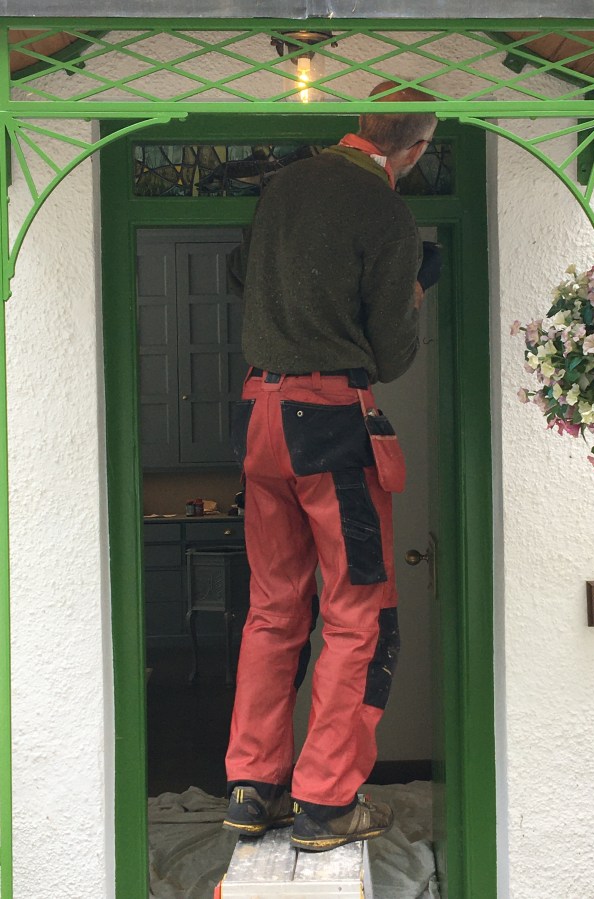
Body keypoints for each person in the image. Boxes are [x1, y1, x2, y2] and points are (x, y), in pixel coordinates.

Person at [221, 81, 441, 852]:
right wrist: (414, 290)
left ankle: (253, 788)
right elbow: (390, 352)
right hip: (329, 421)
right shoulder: (386, 209)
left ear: (360, 124)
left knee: (274, 605)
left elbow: (240, 271)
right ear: (416, 148)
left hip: (260, 412)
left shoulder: (282, 186)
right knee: (360, 612)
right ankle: (325, 801)